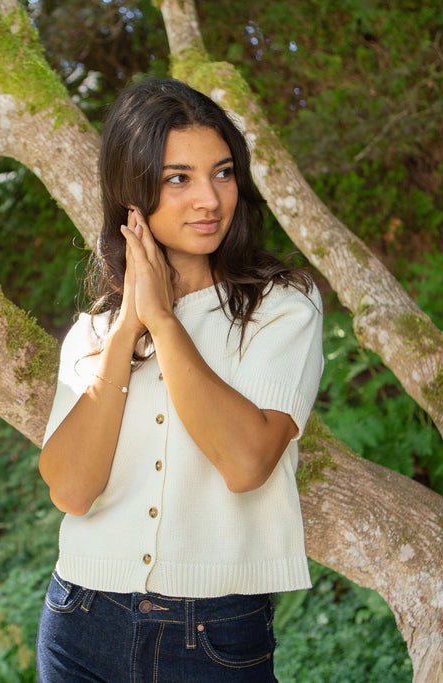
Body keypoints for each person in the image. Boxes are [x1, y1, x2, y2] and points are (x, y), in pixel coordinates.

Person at [36, 77, 324, 682]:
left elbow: (246, 465)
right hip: (80, 619)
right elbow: (72, 492)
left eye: (222, 173)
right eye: (179, 178)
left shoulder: (282, 307)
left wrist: (164, 324)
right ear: (131, 196)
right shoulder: (95, 332)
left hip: (215, 634)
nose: (210, 200)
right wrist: (126, 333)